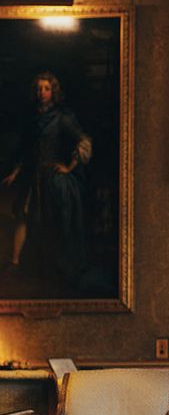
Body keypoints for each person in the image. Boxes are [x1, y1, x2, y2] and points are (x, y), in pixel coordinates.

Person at [0, 71, 91, 282]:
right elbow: (28, 150)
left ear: (54, 91)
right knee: (23, 215)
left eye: (47, 88)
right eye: (39, 88)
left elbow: (83, 141)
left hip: (54, 179)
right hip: (34, 176)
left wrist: (70, 167)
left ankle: (56, 267)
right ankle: (15, 262)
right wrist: (15, 172)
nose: (42, 92)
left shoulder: (63, 117)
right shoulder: (33, 119)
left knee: (55, 221)